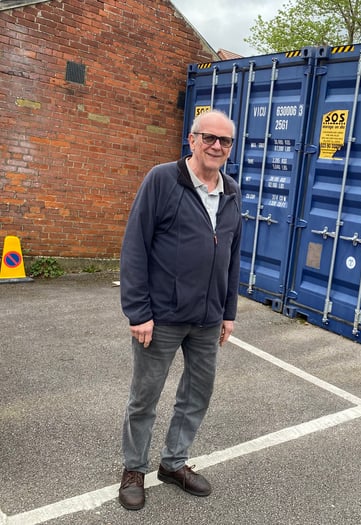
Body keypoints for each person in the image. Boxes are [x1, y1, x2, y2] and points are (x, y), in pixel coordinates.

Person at [117, 109, 242, 510]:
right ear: (192, 140)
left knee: (197, 393)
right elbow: (135, 246)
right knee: (145, 396)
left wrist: (228, 311)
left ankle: (173, 463)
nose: (217, 146)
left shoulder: (231, 190)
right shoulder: (162, 180)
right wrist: (138, 312)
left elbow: (232, 256)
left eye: (225, 141)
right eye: (209, 138)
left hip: (207, 319)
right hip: (162, 316)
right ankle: (134, 468)